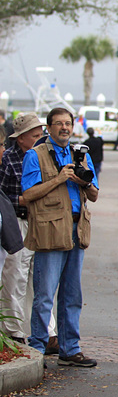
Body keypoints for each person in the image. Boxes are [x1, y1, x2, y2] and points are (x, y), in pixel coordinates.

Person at [22, 107, 99, 367]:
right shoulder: (36, 155)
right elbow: (28, 194)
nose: (64, 128)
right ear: (49, 128)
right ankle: (37, 349)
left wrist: (83, 181)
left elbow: (94, 195)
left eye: (68, 123)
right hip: (50, 231)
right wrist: (59, 178)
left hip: (77, 231)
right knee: (44, 294)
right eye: (59, 124)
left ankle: (70, 349)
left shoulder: (81, 154)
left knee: (71, 294)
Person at [0, 113, 53, 349]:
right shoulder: (8, 159)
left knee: (41, 278)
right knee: (15, 277)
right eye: (34, 135)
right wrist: (23, 200)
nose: (39, 138)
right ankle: (14, 329)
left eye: (40, 133)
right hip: (18, 222)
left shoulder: (44, 156)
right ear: (20, 138)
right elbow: (3, 197)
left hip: (38, 222)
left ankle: (47, 331)